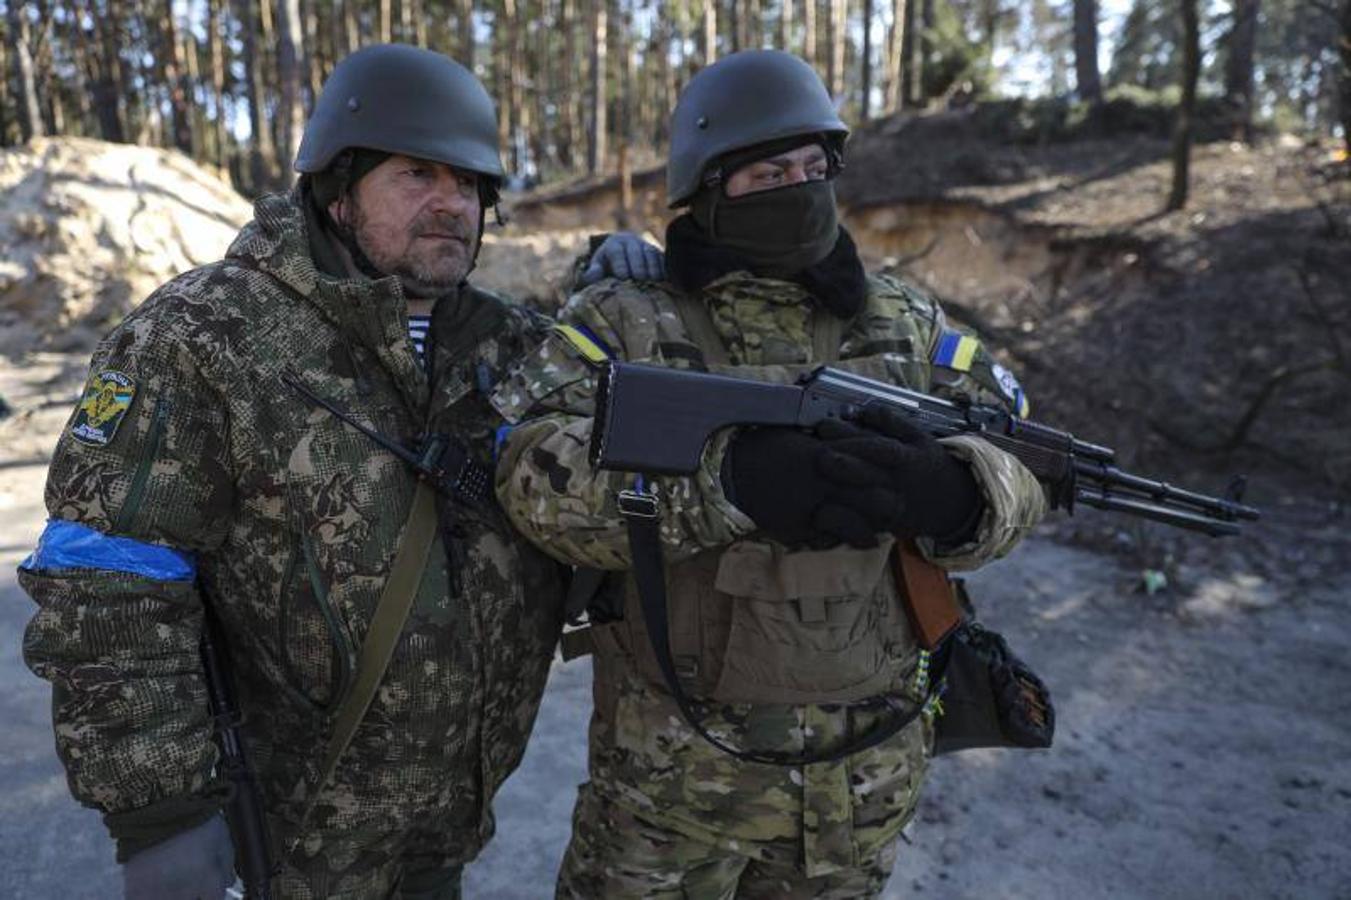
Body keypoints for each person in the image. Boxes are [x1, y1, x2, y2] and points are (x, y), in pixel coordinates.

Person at [19, 44, 657, 899]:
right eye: (417, 174)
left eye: (470, 184)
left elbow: (607, 478)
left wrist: (639, 289)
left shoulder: (511, 347)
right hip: (290, 843)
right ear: (337, 188)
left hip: (445, 830)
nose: (451, 204)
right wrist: (159, 813)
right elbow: (108, 580)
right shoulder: (205, 335)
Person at [494, 50, 1049, 898]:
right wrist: (728, 483)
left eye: (812, 168)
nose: (799, 188)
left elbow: (1022, 457)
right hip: (666, 799)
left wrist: (957, 495)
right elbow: (530, 474)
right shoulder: (624, 321)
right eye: (768, 174)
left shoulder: (904, 319)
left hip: (860, 794)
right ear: (708, 185)